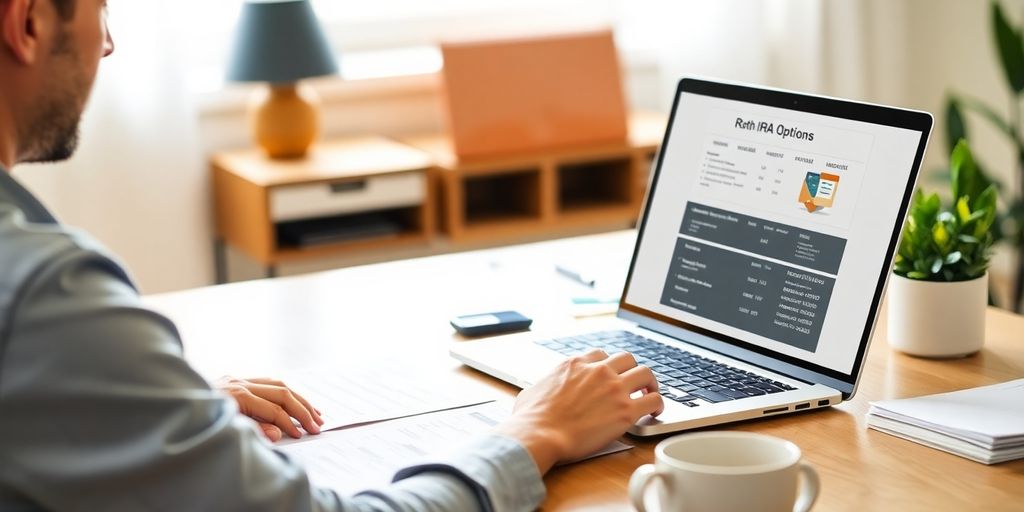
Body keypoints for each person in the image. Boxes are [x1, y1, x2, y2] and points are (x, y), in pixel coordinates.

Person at [0, 1, 664, 510]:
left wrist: (148, 405)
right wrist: (534, 432)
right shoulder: (50, 293)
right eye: (101, 10)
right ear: (26, 21)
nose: (107, 43)